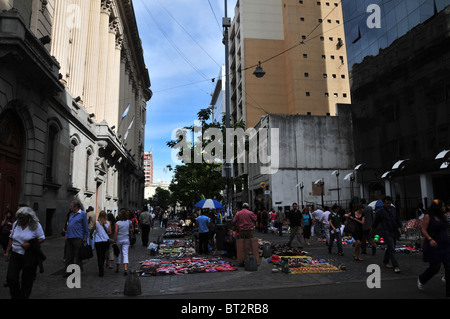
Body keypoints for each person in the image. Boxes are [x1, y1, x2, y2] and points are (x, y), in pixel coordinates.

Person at [4, 207, 45, 299]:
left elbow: (42, 238)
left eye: (22, 218)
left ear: (29, 217)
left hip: (29, 256)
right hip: (15, 254)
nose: (19, 220)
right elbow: (11, 238)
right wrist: (7, 252)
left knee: (27, 281)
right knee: (11, 278)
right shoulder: (15, 224)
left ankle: (24, 296)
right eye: (18, 217)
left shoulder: (36, 225)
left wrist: (30, 244)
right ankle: (16, 296)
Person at [417, 199, 450, 297]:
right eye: (443, 206)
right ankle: (422, 279)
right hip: (433, 245)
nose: (445, 207)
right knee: (435, 268)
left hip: (445, 244)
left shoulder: (443, 216)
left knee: (449, 267)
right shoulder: (428, 216)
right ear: (438, 208)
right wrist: (430, 239)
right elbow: (423, 229)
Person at [371, 196, 402, 273]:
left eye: (389, 203)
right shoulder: (380, 212)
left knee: (392, 246)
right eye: (386, 203)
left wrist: (401, 227)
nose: (388, 204)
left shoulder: (393, 210)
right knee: (391, 247)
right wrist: (372, 230)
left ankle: (385, 260)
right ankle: (396, 266)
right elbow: (376, 222)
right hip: (386, 231)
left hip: (394, 230)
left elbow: (397, 219)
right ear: (384, 203)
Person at [64, 200, 89, 276]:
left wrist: (85, 236)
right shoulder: (71, 214)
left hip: (78, 237)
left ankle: (77, 271)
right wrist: (66, 235)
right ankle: (68, 271)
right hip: (70, 237)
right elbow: (69, 225)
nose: (70, 207)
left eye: (71, 206)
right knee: (68, 256)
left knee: (78, 255)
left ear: (76, 207)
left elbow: (85, 226)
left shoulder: (83, 214)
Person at [113, 209, 133, 276]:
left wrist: (114, 240)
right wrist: (128, 230)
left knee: (118, 254)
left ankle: (118, 268)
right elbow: (132, 229)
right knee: (125, 254)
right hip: (126, 239)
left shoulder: (118, 223)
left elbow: (116, 232)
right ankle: (125, 269)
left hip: (119, 239)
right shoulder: (129, 222)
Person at [92, 211, 111, 277]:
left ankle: (101, 270)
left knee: (99, 256)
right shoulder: (108, 223)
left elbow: (92, 229)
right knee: (103, 255)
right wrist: (105, 234)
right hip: (105, 241)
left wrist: (91, 234)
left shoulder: (97, 223)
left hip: (98, 241)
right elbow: (109, 232)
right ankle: (102, 267)